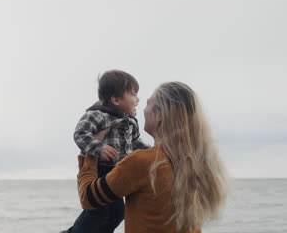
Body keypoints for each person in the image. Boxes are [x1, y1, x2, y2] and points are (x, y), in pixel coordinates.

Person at [76, 81, 228, 233]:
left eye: (148, 103)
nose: (143, 108)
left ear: (160, 114)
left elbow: (88, 198)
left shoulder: (142, 162)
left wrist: (91, 152)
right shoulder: (196, 162)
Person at [62, 70, 149, 233]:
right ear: (115, 99)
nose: (138, 100)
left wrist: (153, 153)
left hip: (115, 174)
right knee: (97, 212)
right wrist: (99, 147)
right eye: (133, 94)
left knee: (118, 213)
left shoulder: (130, 122)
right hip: (97, 170)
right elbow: (80, 134)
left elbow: (135, 143)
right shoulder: (98, 115)